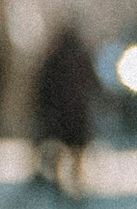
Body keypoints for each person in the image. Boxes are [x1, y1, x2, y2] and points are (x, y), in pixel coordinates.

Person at [31, 19, 96, 195]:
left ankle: (60, 179)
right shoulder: (81, 56)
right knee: (75, 149)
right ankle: (74, 179)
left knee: (59, 146)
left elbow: (43, 85)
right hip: (76, 111)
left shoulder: (55, 56)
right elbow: (92, 83)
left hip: (60, 112)